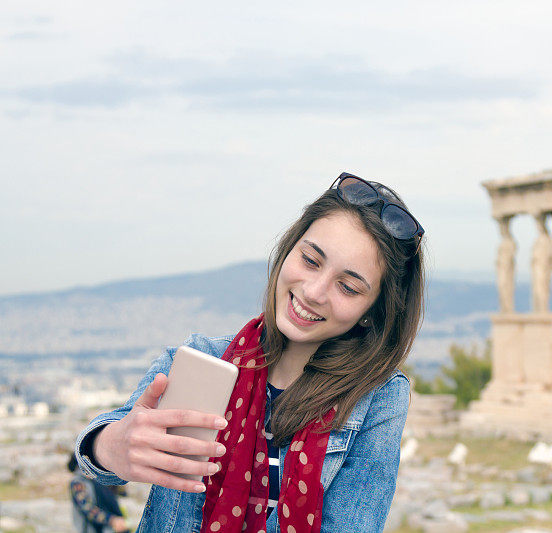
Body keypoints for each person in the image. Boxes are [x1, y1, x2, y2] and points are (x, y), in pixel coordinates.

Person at [74, 173, 425, 533]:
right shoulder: (203, 357)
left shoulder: (378, 397)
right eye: (310, 260)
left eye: (348, 287)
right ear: (288, 250)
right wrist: (111, 445)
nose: (315, 291)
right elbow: (99, 447)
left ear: (373, 312)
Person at [68, 454, 130, 533]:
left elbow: (119, 495)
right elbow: (87, 507)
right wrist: (112, 520)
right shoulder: (78, 482)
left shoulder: (99, 479)